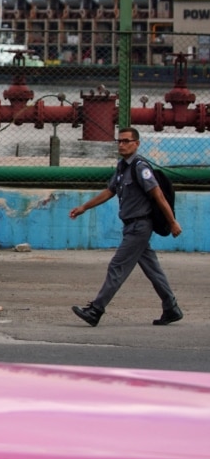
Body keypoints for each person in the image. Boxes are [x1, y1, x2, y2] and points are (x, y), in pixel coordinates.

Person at [69, 127, 183, 327]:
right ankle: (171, 308)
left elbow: (158, 195)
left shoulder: (140, 167)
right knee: (152, 269)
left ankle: (95, 310)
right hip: (131, 226)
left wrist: (172, 222)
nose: (121, 144)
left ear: (136, 144)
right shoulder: (122, 167)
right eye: (119, 141)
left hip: (140, 226)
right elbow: (109, 191)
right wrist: (84, 207)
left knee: (117, 266)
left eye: (126, 141)